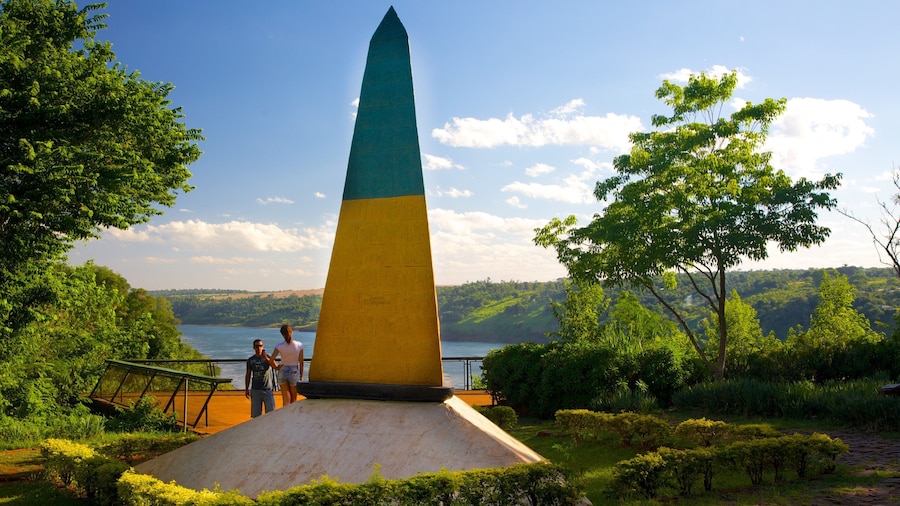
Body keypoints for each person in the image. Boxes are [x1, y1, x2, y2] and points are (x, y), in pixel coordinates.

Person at [270, 324, 303, 405]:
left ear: (282, 334)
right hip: (294, 371)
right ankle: (292, 416)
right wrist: (301, 375)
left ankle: (284, 416)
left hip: (283, 370)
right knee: (293, 399)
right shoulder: (299, 345)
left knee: (286, 398)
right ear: (292, 332)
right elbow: (301, 362)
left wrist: (276, 367)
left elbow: (271, 359)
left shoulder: (279, 346)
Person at [245, 339, 279, 418]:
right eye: (257, 346)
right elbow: (248, 375)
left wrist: (266, 358)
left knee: (271, 414)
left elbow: (276, 367)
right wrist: (246, 388)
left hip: (268, 389)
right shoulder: (250, 360)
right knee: (256, 416)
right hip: (256, 389)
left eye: (260, 346)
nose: (259, 348)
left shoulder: (267, 357)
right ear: (254, 347)